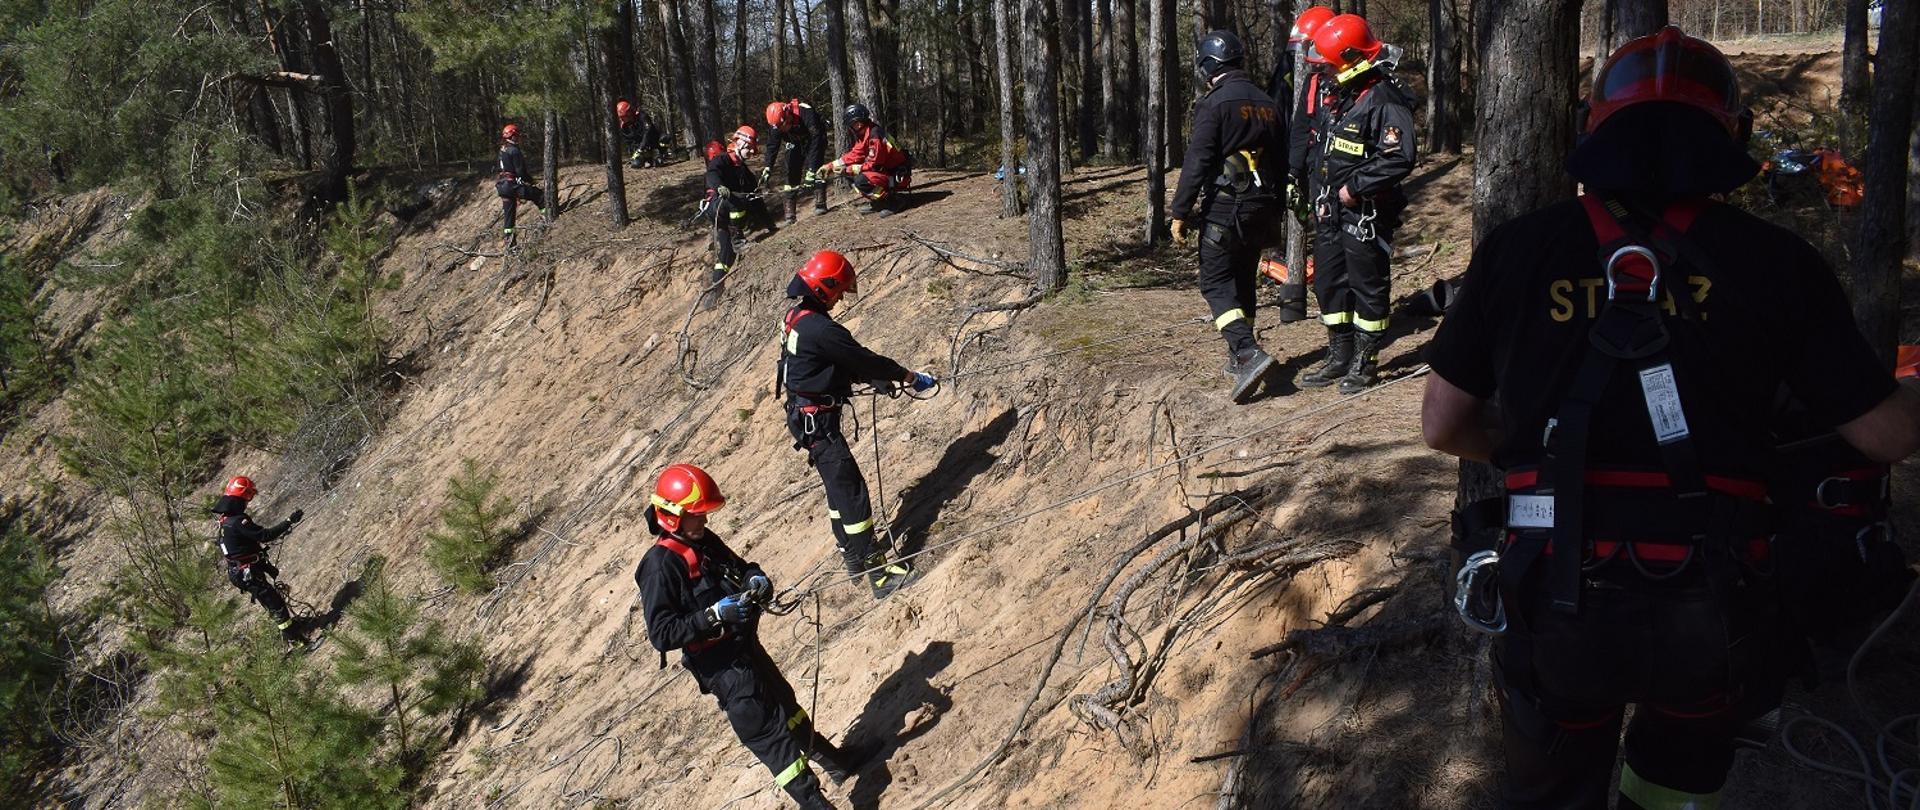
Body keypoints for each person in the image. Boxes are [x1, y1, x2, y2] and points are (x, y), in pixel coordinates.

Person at [1420, 26, 1920, 810]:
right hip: (1713, 610)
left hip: (1557, 604)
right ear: (1732, 136)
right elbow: (1888, 436)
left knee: (1551, 785)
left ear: (1594, 129)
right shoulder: (1777, 262)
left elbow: (1445, 425)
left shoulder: (1522, 249)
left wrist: (1534, 458)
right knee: (1671, 783)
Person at [635, 464, 858, 810]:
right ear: (672, 516)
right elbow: (662, 634)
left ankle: (839, 764)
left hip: (745, 649)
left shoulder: (703, 542)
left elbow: (742, 567)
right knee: (771, 738)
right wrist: (712, 616)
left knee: (789, 711)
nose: (705, 522)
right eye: (697, 515)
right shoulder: (660, 567)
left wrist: (757, 580)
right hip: (723, 670)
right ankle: (816, 804)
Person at [778, 250, 936, 599]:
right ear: (824, 287)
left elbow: (824, 364)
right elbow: (861, 358)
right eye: (837, 292)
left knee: (837, 490)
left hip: (807, 418)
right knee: (850, 492)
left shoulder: (797, 316)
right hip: (817, 422)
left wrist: (868, 379)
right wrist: (906, 376)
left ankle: (851, 553)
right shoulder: (822, 329)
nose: (839, 299)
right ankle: (878, 572)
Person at [1169, 29, 1289, 405]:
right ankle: (1240, 355)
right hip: (1263, 206)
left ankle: (1247, 352)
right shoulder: (1268, 102)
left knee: (1216, 282)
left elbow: (1198, 161)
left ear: (1208, 65)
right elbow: (1284, 159)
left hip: (1226, 207)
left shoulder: (1215, 103)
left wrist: (1180, 212)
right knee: (1242, 278)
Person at [1299, 14, 1415, 394]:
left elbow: (1399, 157)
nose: (1327, 71)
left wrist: (1356, 188)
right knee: (1330, 283)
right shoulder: (1342, 94)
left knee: (1368, 286)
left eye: (1331, 64)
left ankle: (1364, 364)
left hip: (1366, 213)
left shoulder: (1386, 99)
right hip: (1331, 211)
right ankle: (1339, 355)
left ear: (1351, 59)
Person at [210, 475, 308, 644]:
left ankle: (291, 629)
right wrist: (288, 521)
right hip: (246, 572)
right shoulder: (239, 521)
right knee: (276, 604)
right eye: (247, 498)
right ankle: (295, 641)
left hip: (240, 571)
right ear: (241, 498)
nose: (248, 502)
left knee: (271, 601)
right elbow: (265, 535)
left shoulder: (225, 521)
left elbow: (242, 546)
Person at [705, 125, 778, 285]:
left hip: (727, 216)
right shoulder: (721, 160)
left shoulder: (744, 172)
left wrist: (771, 226)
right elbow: (711, 174)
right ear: (741, 144)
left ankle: (714, 291)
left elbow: (756, 200)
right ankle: (738, 240)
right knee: (736, 199)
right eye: (750, 149)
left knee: (726, 255)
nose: (752, 153)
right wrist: (719, 186)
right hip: (717, 207)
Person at [820, 104, 911, 217]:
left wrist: (850, 169)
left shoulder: (875, 135)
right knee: (851, 177)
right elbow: (855, 154)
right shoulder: (865, 134)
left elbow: (874, 165)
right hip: (886, 172)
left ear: (857, 124)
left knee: (861, 180)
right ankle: (879, 202)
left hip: (895, 175)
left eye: (851, 125)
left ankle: (894, 201)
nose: (851, 128)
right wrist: (831, 166)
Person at [764, 99, 832, 222]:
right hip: (794, 141)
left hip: (814, 139)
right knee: (790, 170)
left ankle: (820, 203)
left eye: (782, 126)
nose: (780, 130)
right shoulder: (776, 124)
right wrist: (768, 166)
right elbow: (772, 145)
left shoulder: (806, 113)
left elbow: (816, 142)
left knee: (816, 168)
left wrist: (811, 169)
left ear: (788, 116)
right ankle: (790, 213)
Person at [496, 123, 546, 247]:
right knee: (539, 195)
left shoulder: (503, 149)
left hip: (502, 186)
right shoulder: (515, 150)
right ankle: (548, 218)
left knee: (509, 217)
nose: (518, 138)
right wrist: (532, 182)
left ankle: (510, 246)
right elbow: (520, 172)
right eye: (517, 135)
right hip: (511, 185)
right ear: (513, 136)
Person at [617, 99, 662, 168]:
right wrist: (636, 151)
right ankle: (647, 159)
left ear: (629, 113)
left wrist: (642, 147)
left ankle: (659, 155)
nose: (622, 119)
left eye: (624, 117)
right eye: (621, 117)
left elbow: (648, 131)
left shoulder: (642, 116)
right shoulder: (624, 127)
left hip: (652, 143)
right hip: (640, 149)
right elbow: (629, 141)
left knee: (664, 139)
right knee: (636, 164)